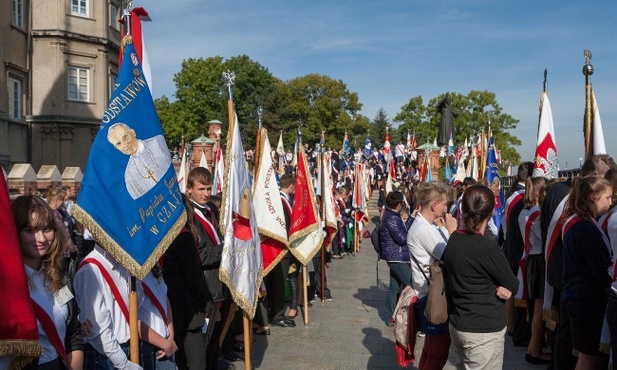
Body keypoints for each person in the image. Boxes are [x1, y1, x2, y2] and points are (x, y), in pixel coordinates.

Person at [443, 185, 519, 369]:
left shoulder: (454, 239)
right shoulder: (486, 247)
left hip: (460, 324)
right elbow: (513, 284)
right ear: (492, 211)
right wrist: (501, 287)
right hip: (482, 329)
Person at [12, 195, 84, 370]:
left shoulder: (61, 278)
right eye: (30, 230)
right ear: (15, 232)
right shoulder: (8, 286)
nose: (42, 239)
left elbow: (73, 334)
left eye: (47, 229)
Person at [562, 175, 612, 370]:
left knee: (585, 357)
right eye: (607, 198)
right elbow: (599, 268)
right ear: (593, 196)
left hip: (579, 298)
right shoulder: (584, 228)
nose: (610, 202)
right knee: (592, 358)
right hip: (587, 301)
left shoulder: (579, 222)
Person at [407, 181, 457, 370]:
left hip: (430, 293)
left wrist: (444, 228)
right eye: (444, 204)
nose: (446, 208)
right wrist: (452, 231)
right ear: (434, 205)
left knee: (431, 349)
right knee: (438, 351)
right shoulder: (422, 229)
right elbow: (451, 256)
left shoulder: (428, 226)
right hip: (433, 296)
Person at [162, 194, 211, 369]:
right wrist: (206, 303)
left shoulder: (159, 236)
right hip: (185, 307)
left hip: (164, 303)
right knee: (195, 361)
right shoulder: (183, 237)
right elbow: (194, 276)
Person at [517, 176, 551, 364]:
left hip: (531, 259)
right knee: (538, 309)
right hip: (538, 260)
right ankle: (535, 349)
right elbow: (543, 238)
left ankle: (533, 346)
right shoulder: (538, 214)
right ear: (539, 192)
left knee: (535, 307)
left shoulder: (524, 212)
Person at [107, 122, 172, 200]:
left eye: (125, 137)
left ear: (133, 133)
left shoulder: (158, 142)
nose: (125, 144)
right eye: (118, 143)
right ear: (117, 148)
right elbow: (141, 203)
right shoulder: (129, 175)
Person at [380, 191, 413, 326]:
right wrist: (410, 220)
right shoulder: (392, 218)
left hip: (395, 256)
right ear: (399, 204)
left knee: (393, 288)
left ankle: (389, 316)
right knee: (412, 283)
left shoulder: (390, 215)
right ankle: (406, 315)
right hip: (396, 257)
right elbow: (402, 238)